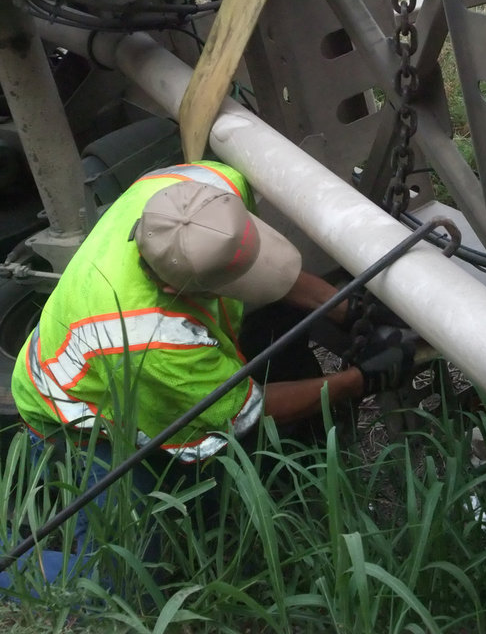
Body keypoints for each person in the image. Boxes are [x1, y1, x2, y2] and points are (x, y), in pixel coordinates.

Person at [9, 160, 414, 569]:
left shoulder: (207, 187)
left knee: (202, 510)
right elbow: (246, 409)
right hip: (80, 415)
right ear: (174, 289)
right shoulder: (153, 339)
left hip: (119, 359)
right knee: (124, 585)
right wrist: (361, 380)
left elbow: (260, 263)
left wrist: (350, 309)